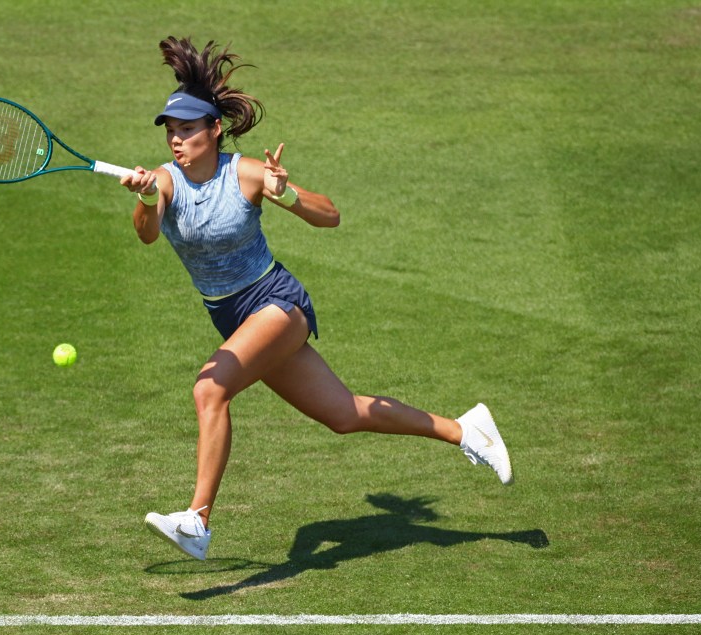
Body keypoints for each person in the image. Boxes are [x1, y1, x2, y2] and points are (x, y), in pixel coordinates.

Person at [120, 36, 512, 561]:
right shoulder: (164, 182)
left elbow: (331, 215)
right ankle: (466, 430)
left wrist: (288, 195)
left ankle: (197, 519)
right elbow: (147, 233)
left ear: (215, 129)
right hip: (232, 317)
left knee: (209, 390)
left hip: (276, 304)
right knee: (344, 414)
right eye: (171, 131)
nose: (176, 140)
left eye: (188, 129)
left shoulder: (246, 175)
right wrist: (146, 197)